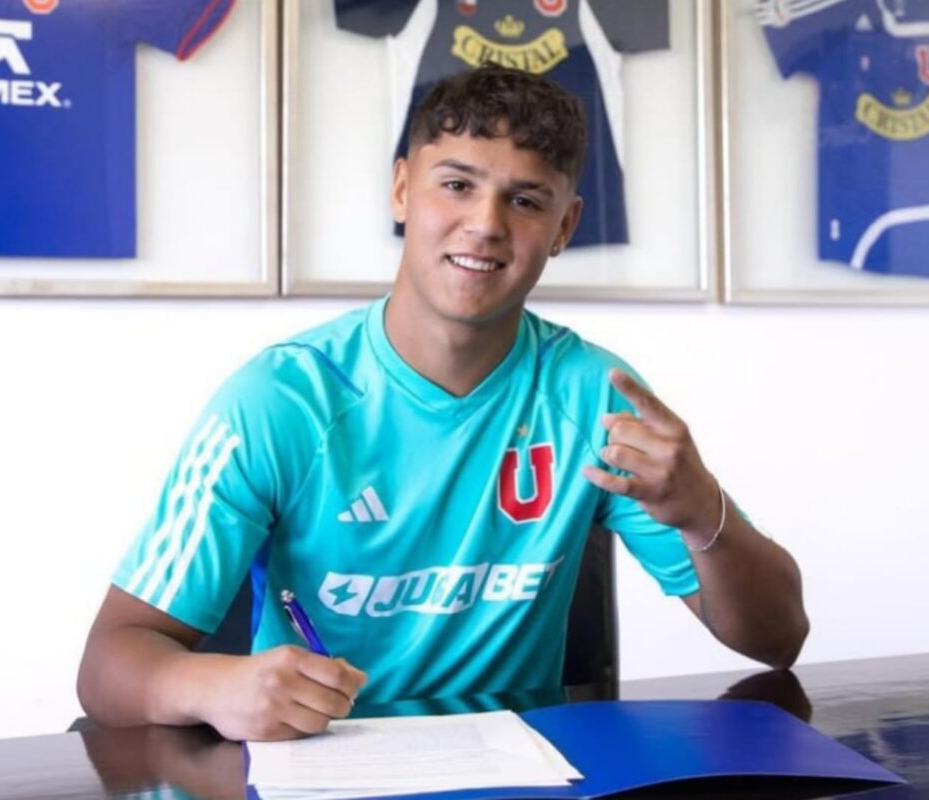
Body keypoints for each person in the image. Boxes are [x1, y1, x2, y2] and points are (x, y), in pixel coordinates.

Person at [77, 64, 809, 743]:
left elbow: (776, 643)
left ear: (564, 227)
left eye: (525, 200)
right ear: (402, 189)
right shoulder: (279, 399)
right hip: (319, 769)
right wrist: (215, 686)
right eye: (456, 185)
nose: (486, 223)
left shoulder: (596, 395)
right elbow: (109, 662)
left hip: (528, 774)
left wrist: (701, 510)